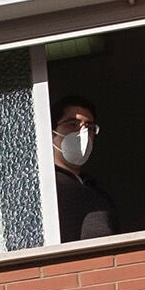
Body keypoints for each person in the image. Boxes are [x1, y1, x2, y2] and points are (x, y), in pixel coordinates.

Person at [51, 98, 115, 241]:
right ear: (52, 133)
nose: (83, 133)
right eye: (72, 124)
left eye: (90, 127)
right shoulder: (45, 189)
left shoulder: (100, 196)